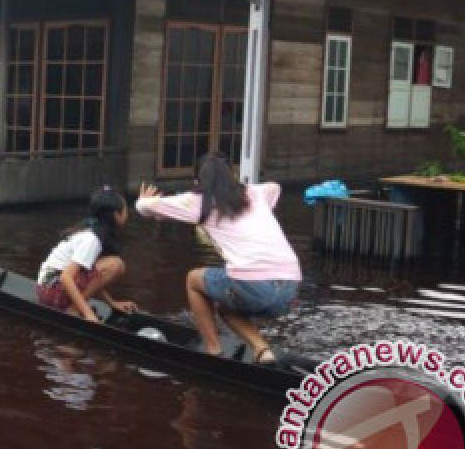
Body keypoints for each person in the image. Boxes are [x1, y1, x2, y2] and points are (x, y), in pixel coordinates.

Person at [135, 152, 301, 363]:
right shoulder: (256, 193)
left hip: (254, 285)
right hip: (290, 287)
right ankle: (262, 350)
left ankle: (213, 350)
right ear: (232, 176)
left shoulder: (198, 202)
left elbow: (144, 208)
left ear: (198, 182)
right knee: (224, 305)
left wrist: (143, 200)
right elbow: (275, 187)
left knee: (193, 279)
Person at [36, 186, 138, 323]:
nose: (127, 213)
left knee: (113, 264)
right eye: (125, 209)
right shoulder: (92, 239)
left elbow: (93, 278)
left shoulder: (92, 231)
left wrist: (112, 303)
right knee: (115, 265)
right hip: (51, 290)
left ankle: (75, 307)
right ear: (116, 215)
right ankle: (73, 310)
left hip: (48, 288)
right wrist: (88, 313)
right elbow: (66, 277)